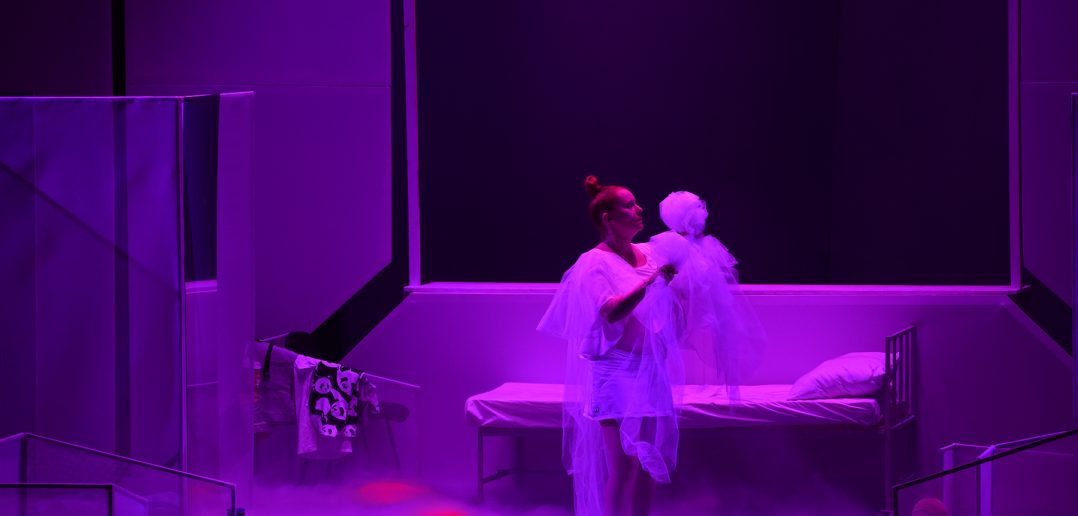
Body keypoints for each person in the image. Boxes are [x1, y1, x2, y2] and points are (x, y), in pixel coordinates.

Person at [538, 176, 683, 516]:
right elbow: (611, 310)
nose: (639, 209)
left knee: (648, 463)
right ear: (609, 218)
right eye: (629, 205)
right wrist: (652, 282)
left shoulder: (650, 253)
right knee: (624, 463)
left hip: (650, 367)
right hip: (616, 368)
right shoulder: (593, 262)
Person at [648, 191, 764, 401]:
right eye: (696, 209)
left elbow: (714, 287)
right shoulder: (670, 244)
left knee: (709, 339)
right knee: (671, 343)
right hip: (676, 308)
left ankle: (710, 386)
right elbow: (670, 282)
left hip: (703, 310)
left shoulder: (707, 246)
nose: (703, 213)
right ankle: (667, 388)